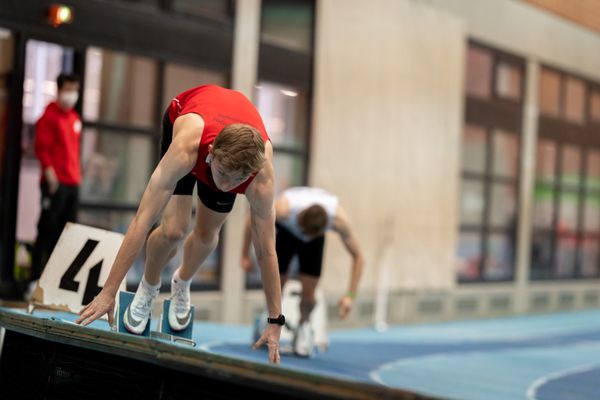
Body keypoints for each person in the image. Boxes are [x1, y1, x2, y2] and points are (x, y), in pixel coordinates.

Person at [76, 85, 283, 364]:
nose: (226, 185)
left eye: (237, 180)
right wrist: (109, 291)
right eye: (222, 174)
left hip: (229, 153)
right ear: (212, 153)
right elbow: (142, 219)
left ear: (251, 173)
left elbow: (266, 250)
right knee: (174, 230)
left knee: (208, 237)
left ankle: (181, 281)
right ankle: (149, 287)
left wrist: (275, 320)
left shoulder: (261, 178)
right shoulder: (187, 146)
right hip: (188, 119)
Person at [241, 186, 364, 356]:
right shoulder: (284, 209)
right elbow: (251, 220)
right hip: (286, 231)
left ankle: (303, 326)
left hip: (314, 240)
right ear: (300, 218)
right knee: (277, 284)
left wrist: (350, 296)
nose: (303, 235)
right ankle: (268, 319)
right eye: (303, 230)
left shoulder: (338, 219)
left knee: (309, 295)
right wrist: (244, 255)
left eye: (306, 233)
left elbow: (358, 257)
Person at [31, 73, 81, 282]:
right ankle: (35, 279)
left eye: (74, 90)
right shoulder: (49, 116)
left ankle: (56, 282)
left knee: (66, 234)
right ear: (59, 90)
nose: (71, 94)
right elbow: (42, 149)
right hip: (55, 183)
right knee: (47, 230)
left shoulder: (74, 119)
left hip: (72, 183)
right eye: (68, 89)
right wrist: (51, 176)